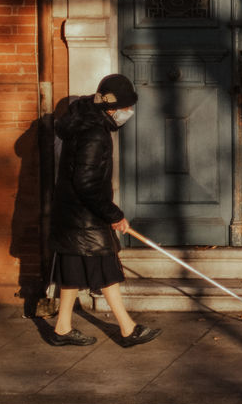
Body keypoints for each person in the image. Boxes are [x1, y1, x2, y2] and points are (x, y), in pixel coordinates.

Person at [46, 73, 161, 347]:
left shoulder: (84, 122)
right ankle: (127, 329)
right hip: (86, 219)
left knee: (72, 271)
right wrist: (114, 215)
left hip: (72, 215)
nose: (128, 112)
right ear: (112, 107)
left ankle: (62, 328)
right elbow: (86, 183)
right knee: (107, 269)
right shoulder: (95, 134)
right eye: (126, 107)